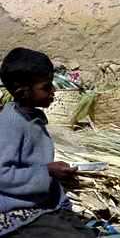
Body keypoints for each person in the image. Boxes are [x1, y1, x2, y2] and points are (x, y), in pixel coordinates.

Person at [0, 48, 95, 237]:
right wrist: (47, 171)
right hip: (16, 213)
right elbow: (2, 173)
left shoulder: (33, 119)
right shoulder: (11, 123)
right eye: (46, 87)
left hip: (41, 205)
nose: (53, 91)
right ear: (22, 91)